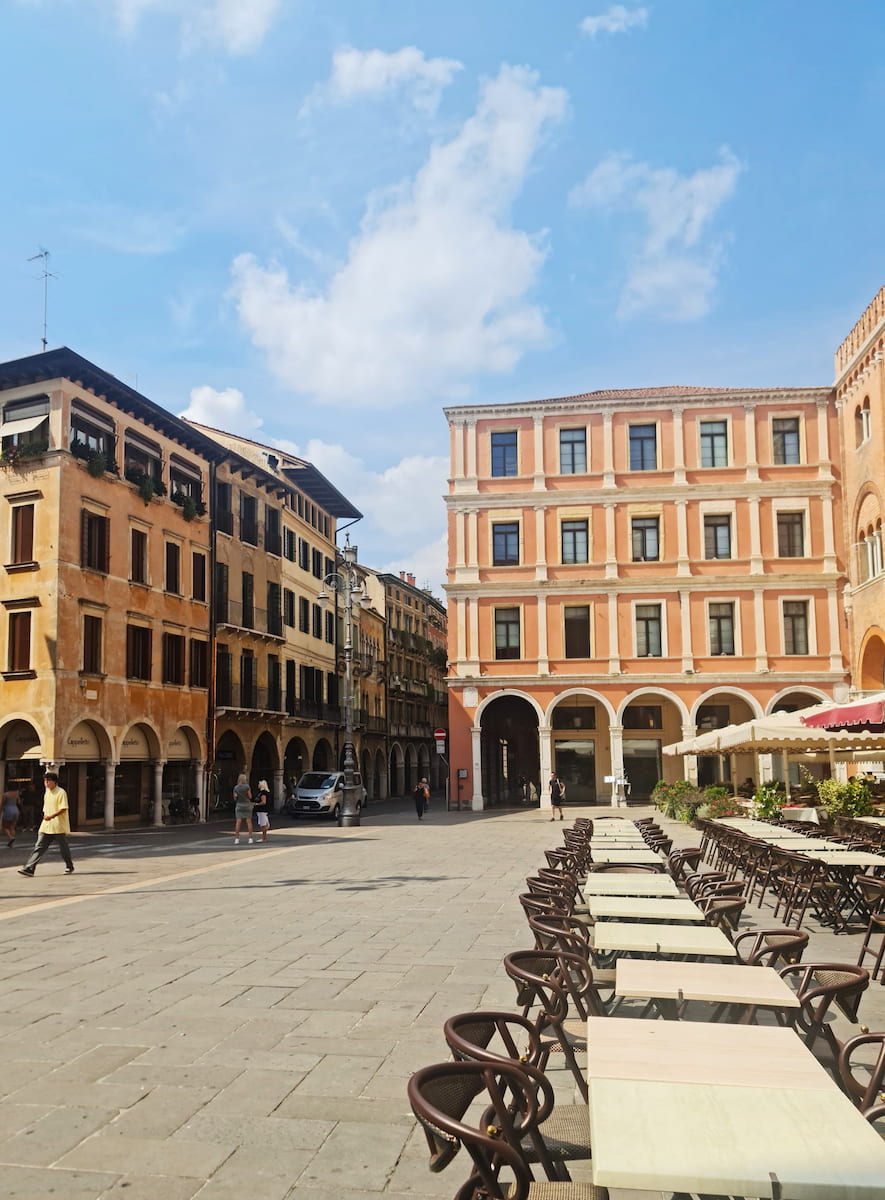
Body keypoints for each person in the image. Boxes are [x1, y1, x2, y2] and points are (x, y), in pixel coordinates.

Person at [18, 773, 74, 876]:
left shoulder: (61, 792)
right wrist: (45, 817)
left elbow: (63, 808)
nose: (46, 783)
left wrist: (51, 816)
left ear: (55, 782)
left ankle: (69, 866)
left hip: (58, 826)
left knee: (63, 848)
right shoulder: (47, 792)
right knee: (39, 847)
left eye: (48, 781)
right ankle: (29, 868)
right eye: (45, 781)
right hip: (46, 825)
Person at [232, 773, 254, 845]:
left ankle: (237, 839)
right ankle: (250, 838)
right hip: (247, 805)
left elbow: (235, 798)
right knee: (249, 822)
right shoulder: (247, 787)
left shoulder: (236, 788)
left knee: (238, 822)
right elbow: (250, 796)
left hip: (239, 805)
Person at [253, 778, 271, 843]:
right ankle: (264, 837)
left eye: (259, 784)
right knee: (263, 823)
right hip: (263, 810)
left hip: (262, 810)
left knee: (263, 824)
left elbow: (263, 802)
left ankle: (264, 838)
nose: (258, 785)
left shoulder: (263, 793)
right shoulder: (265, 792)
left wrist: (256, 804)